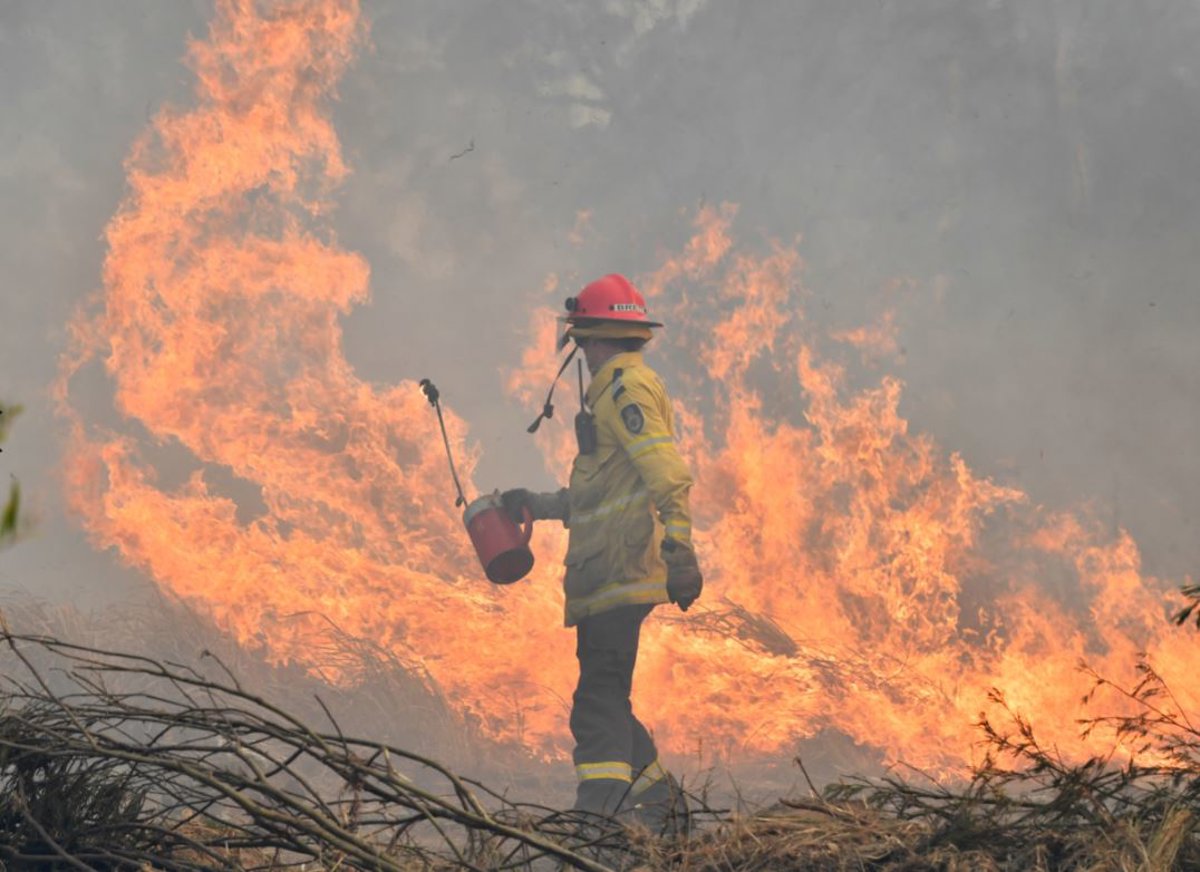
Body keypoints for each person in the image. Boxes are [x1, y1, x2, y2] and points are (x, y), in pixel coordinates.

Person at [503, 273, 703, 828]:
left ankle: (598, 823)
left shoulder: (623, 392)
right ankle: (665, 812)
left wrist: (681, 553)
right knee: (609, 697)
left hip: (619, 574)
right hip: (608, 575)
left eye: (583, 341)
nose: (583, 354)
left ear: (595, 339)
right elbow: (600, 495)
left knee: (596, 705)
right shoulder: (621, 391)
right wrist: (537, 504)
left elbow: (668, 475)